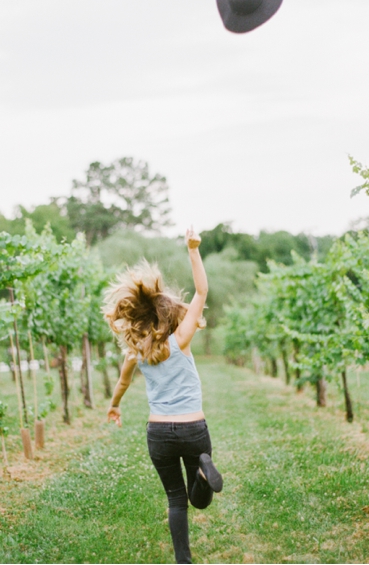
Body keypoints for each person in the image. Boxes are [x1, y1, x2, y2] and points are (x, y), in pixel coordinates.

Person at [103, 227, 223, 564]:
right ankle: (202, 471)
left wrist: (114, 406)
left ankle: (183, 561)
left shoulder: (135, 354)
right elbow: (202, 290)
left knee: (175, 500)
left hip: (159, 433)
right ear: (167, 316)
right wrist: (193, 249)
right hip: (192, 428)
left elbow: (123, 385)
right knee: (199, 500)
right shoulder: (180, 340)